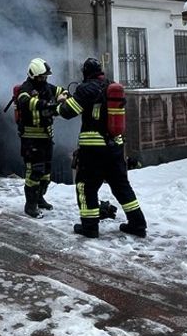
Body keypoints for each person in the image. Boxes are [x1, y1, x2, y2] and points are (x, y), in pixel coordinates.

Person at [56, 57, 147, 239]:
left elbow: (67, 112)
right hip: (115, 147)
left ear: (85, 72)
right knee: (121, 186)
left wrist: (61, 102)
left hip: (93, 149)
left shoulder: (85, 89)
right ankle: (138, 224)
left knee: (85, 187)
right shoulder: (111, 86)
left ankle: (90, 228)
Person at [15, 57, 64, 218]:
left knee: (46, 172)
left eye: (46, 76)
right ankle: (30, 205)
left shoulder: (47, 87)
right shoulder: (26, 88)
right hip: (31, 138)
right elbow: (25, 101)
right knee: (34, 172)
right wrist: (46, 104)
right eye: (42, 76)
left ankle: (40, 198)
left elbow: (62, 91)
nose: (45, 79)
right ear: (33, 76)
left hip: (46, 136)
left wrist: (63, 97)